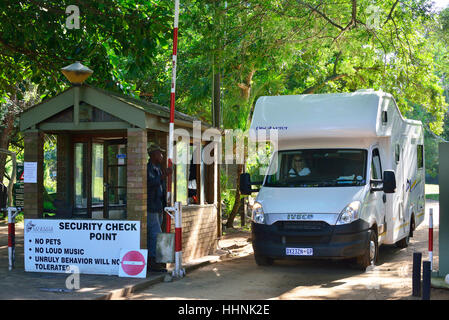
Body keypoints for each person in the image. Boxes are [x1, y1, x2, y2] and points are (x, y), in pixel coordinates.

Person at [147, 145, 172, 272]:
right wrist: (163, 176)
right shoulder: (149, 168)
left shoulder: (157, 168)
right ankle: (152, 261)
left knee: (158, 233)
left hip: (159, 206)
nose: (162, 156)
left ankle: (159, 260)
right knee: (154, 234)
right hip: (151, 207)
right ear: (153, 155)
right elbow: (149, 184)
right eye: (160, 153)